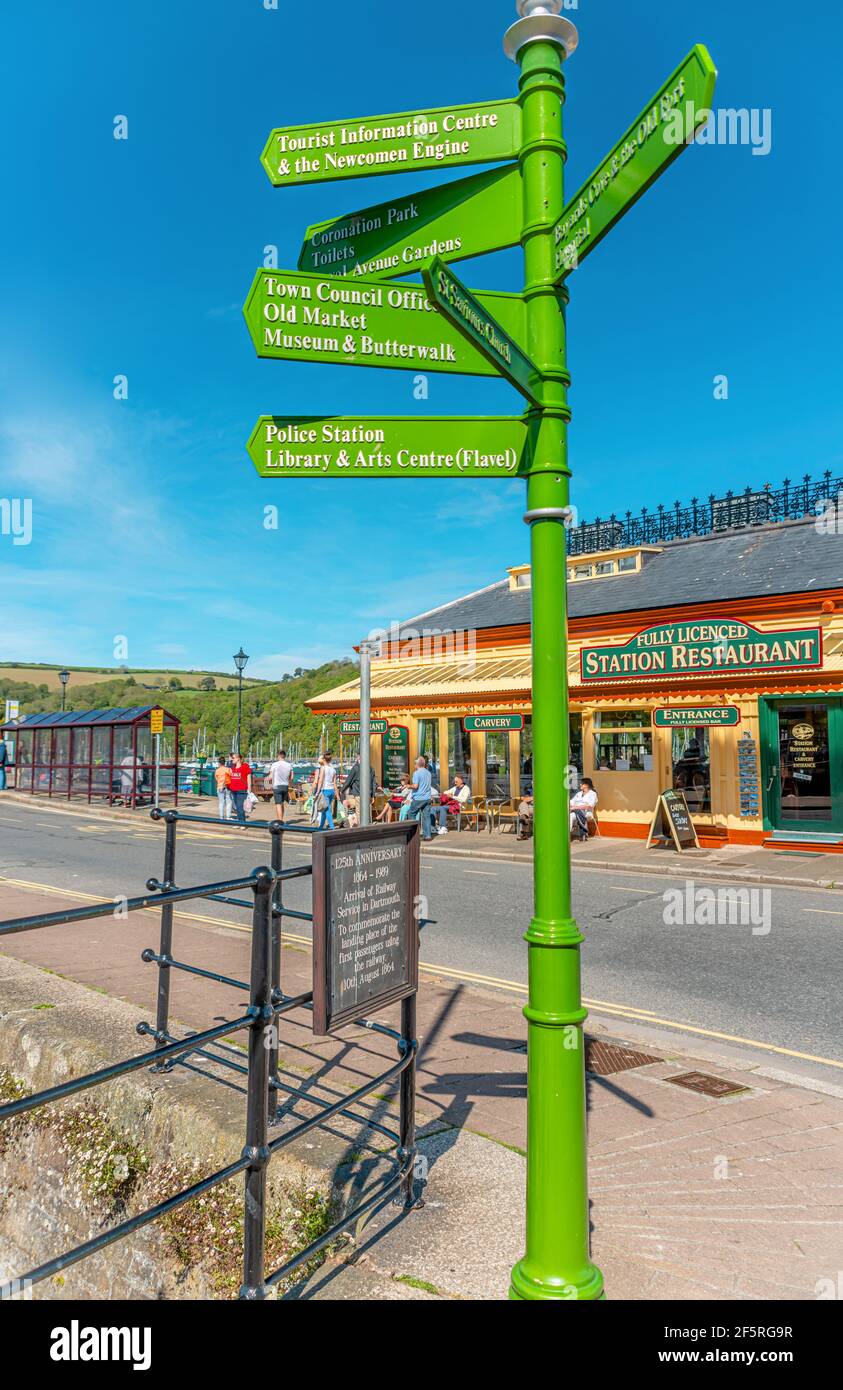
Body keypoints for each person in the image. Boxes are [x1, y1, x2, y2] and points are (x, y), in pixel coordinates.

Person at [340, 754, 378, 827]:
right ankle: (364, 827)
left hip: (358, 794)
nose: (357, 760)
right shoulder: (371, 768)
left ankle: (359, 829)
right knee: (366, 814)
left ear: (359, 759)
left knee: (359, 813)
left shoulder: (356, 768)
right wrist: (373, 795)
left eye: (357, 758)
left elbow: (348, 781)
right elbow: (374, 783)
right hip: (368, 795)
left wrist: (341, 790)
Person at [408, 755, 434, 841]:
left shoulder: (416, 773)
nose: (414, 765)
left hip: (418, 798)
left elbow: (415, 786)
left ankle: (413, 835)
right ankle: (428, 835)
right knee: (426, 816)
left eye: (415, 764)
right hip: (427, 798)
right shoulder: (428, 773)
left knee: (411, 813)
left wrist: (408, 786)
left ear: (417, 764)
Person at [268, 747, 294, 822]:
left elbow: (270, 777)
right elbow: (292, 777)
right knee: (281, 803)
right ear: (284, 756)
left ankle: (280, 821)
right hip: (285, 786)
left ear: (278, 756)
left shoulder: (274, 764)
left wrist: (267, 785)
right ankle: (281, 819)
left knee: (278, 804)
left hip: (276, 786)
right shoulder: (289, 765)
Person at [228, 751, 253, 828]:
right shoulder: (232, 767)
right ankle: (240, 822)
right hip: (233, 789)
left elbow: (249, 777)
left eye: (233, 758)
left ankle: (242, 823)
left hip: (242, 789)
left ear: (238, 759)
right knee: (237, 807)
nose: (232, 759)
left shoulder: (245, 766)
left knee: (240, 807)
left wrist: (249, 788)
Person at [314, 751, 337, 830]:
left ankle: (332, 827)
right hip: (331, 791)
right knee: (324, 809)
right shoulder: (333, 769)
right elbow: (334, 783)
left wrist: (317, 792)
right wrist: (336, 793)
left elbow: (320, 781)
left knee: (327, 810)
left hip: (325, 790)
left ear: (324, 759)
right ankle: (320, 827)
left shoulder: (323, 768)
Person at [214, 754, 231, 820]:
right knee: (228, 801)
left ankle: (221, 817)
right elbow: (230, 777)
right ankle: (228, 817)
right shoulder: (228, 769)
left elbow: (216, 778)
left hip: (220, 787)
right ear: (225, 762)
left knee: (221, 802)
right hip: (227, 786)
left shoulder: (217, 770)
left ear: (219, 763)